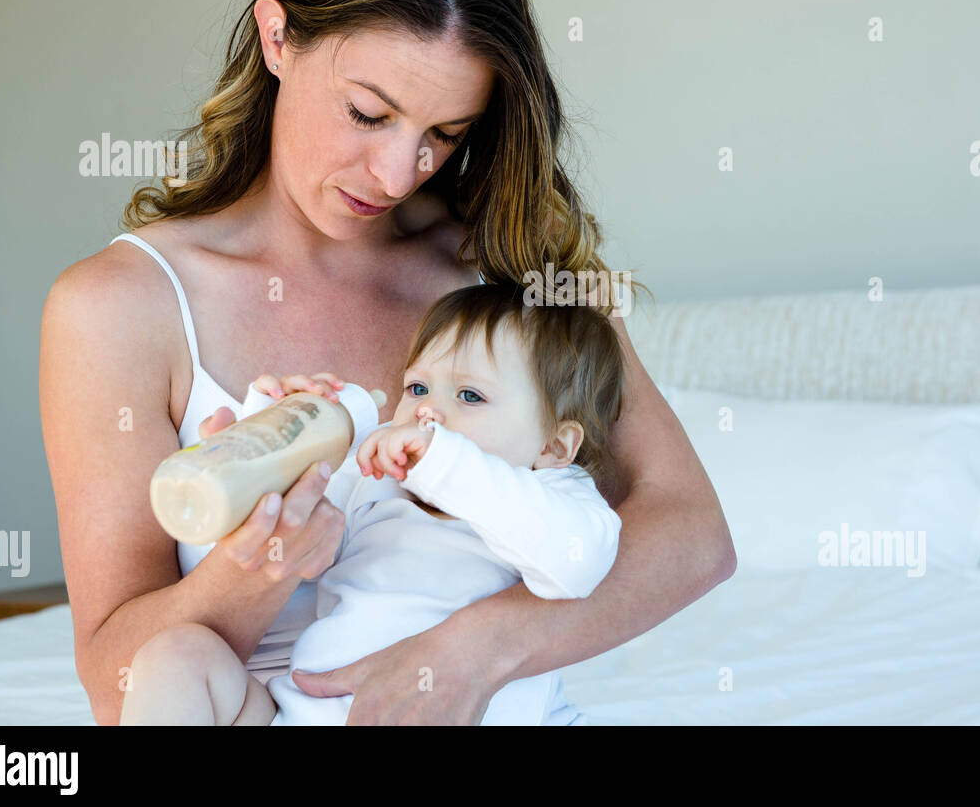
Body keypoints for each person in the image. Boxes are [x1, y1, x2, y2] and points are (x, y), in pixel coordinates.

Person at [39, 0, 735, 726]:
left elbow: (694, 535)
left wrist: (475, 653)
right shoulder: (120, 309)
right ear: (277, 37)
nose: (400, 172)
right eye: (369, 113)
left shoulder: (509, 268)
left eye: (445, 134)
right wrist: (262, 567)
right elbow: (116, 679)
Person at [120, 284, 625, 725]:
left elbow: (577, 566)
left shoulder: (553, 495)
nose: (428, 409)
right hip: (305, 714)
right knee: (178, 655)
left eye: (470, 396)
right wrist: (267, 441)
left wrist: (444, 462)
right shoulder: (376, 480)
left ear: (555, 446)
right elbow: (292, 541)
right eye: (418, 387)